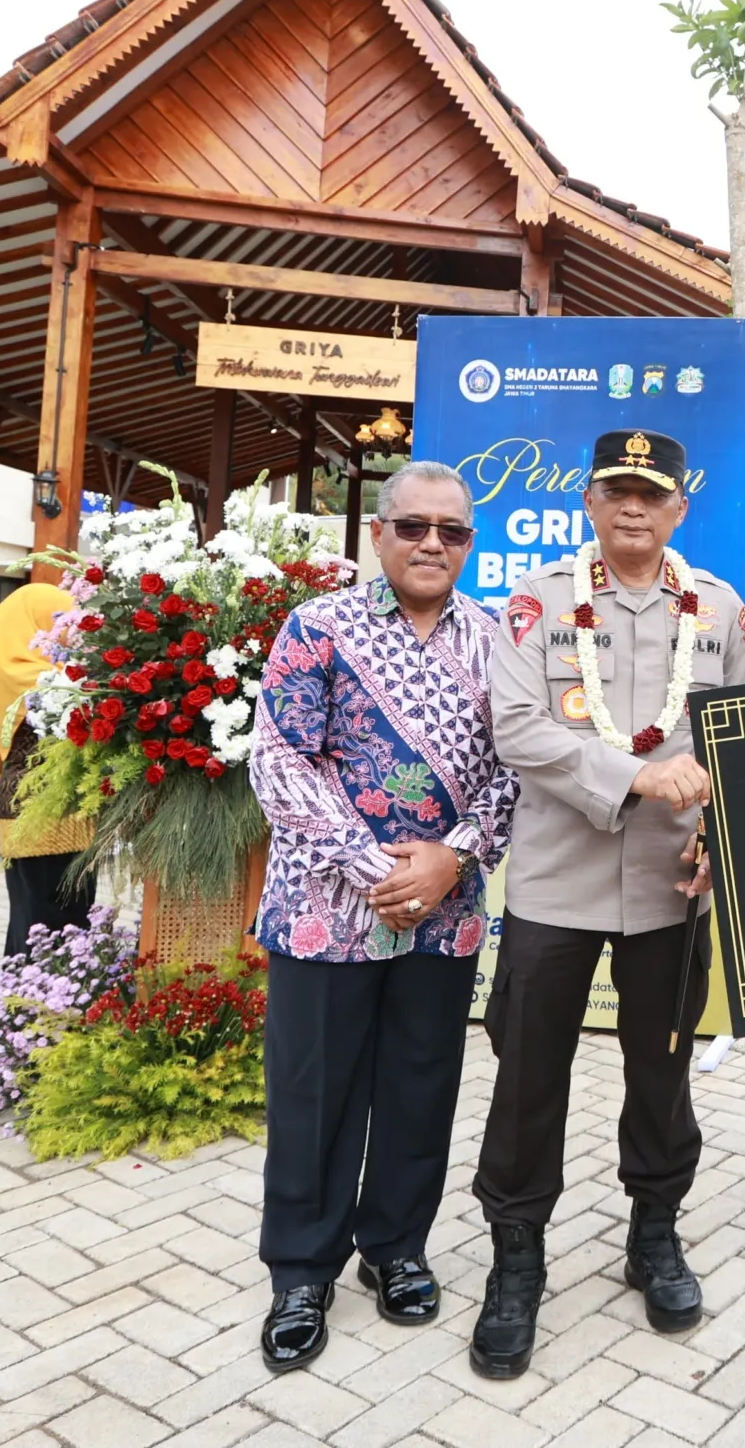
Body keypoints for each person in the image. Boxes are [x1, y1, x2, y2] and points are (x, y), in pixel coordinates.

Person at [472, 429, 745, 1379]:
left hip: (672, 886)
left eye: (652, 492)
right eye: (616, 490)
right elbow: (516, 729)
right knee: (527, 1078)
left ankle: (654, 1232)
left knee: (661, 1070)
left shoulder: (718, 610)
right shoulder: (538, 604)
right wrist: (639, 778)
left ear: (679, 508)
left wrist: (726, 835)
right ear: (589, 503)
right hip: (557, 883)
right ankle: (517, 1257)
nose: (633, 505)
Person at [246, 462, 521, 1374]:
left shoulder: (498, 643)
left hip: (444, 910)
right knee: (315, 1089)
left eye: (452, 530)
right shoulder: (318, 626)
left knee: (419, 1084)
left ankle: (396, 1247)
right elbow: (280, 758)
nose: (432, 543)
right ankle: (301, 1269)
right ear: (377, 534)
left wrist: (452, 857)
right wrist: (373, 866)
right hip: (329, 905)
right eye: (413, 526)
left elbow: (519, 767)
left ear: (470, 543)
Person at [0, 582, 93, 959]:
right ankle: (39, 998)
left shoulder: (55, 671)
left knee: (68, 906)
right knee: (43, 910)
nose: (72, 633)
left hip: (71, 806)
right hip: (37, 807)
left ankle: (44, 994)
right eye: (60, 623)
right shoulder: (30, 675)